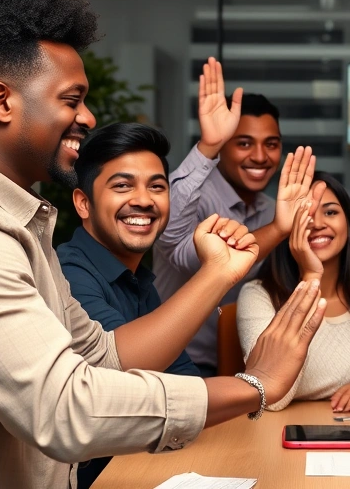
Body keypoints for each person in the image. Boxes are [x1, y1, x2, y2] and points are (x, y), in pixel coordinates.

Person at [0, 0, 327, 489]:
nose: (87, 117)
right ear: (1, 101)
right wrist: (252, 385)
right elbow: (65, 408)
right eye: (72, 99)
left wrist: (221, 281)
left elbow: (102, 357)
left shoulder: (14, 219)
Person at [57, 123, 207, 488]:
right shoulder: (68, 274)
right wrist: (216, 272)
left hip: (140, 470)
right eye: (122, 185)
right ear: (83, 203)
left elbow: (185, 381)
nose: (143, 199)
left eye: (156, 186)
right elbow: (120, 373)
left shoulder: (138, 278)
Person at [154, 63, 323, 375]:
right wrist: (209, 146)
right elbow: (178, 247)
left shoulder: (275, 209)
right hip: (180, 363)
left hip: (250, 362)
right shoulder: (196, 197)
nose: (260, 156)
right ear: (225, 146)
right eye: (244, 143)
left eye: (271, 144)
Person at [238, 173, 350, 411]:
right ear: (286, 228)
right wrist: (310, 276)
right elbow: (273, 399)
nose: (317, 224)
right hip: (275, 430)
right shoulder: (256, 295)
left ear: (348, 222)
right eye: (305, 214)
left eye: (330, 212)